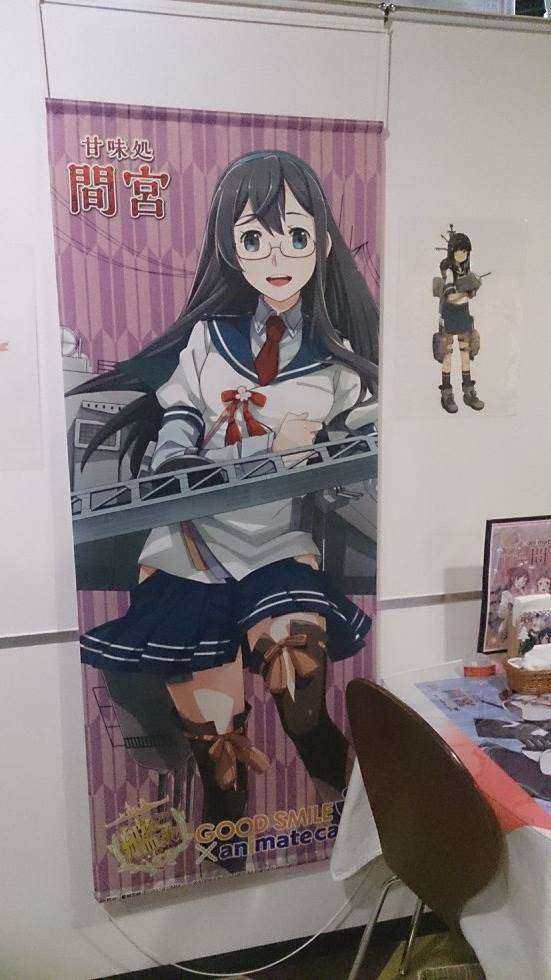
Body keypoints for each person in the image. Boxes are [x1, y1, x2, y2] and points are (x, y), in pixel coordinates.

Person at [71, 150, 378, 849]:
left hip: (277, 546)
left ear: (324, 244)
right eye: (254, 239)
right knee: (221, 751)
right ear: (231, 251)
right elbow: (178, 418)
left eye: (295, 236)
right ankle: (229, 868)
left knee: (303, 708)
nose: (277, 256)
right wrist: (182, 457)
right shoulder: (208, 340)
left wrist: (330, 466)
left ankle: (363, 835)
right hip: (188, 549)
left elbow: (360, 456)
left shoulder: (339, 364)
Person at [434, 229, 484, 414]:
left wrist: (472, 288)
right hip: (449, 314)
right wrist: (467, 292)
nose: (462, 255)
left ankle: (468, 392)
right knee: (447, 354)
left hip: (463, 314)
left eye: (465, 251)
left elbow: (464, 295)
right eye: (459, 251)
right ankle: (446, 394)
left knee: (465, 353)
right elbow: (450, 296)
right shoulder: (449, 270)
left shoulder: (465, 270)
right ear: (452, 251)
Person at [496, 567, 529, 641]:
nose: (525, 581)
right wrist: (509, 609)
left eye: (526, 580)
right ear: (514, 578)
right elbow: (501, 614)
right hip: (509, 625)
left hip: (522, 625)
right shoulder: (506, 594)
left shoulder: (524, 594)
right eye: (523, 578)